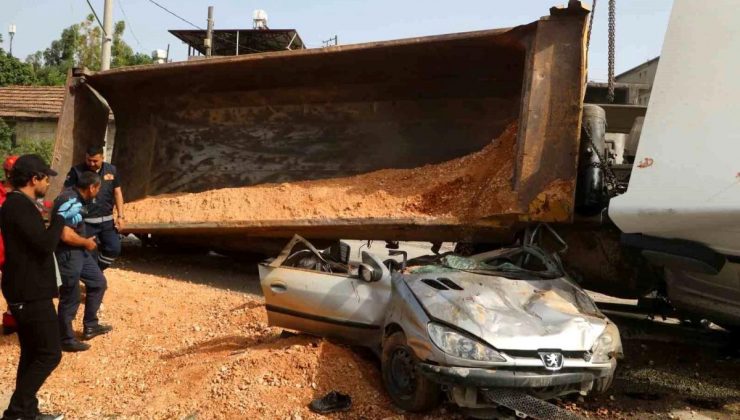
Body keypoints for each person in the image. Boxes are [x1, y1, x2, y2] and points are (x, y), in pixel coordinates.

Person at [0, 154, 80, 420]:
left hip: (28, 289)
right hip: (29, 292)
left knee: (32, 353)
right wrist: (60, 219)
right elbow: (45, 245)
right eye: (46, 178)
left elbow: (36, 241)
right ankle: (15, 413)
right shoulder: (18, 206)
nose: (48, 183)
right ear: (34, 179)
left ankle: (27, 412)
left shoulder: (22, 204)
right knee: (49, 354)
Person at [54, 171, 112, 353]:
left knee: (98, 282)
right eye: (98, 189)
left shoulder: (77, 197)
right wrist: (87, 242)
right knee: (71, 296)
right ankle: (65, 339)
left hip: (79, 252)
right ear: (92, 187)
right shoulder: (69, 200)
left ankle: (91, 326)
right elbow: (64, 234)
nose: (98, 192)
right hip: (68, 253)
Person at [64, 146, 124, 270]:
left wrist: (120, 216)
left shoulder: (111, 170)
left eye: (95, 161)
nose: (91, 163)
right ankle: (93, 280)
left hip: (107, 221)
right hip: (86, 223)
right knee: (89, 252)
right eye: (88, 160)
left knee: (114, 248)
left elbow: (117, 193)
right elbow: (67, 193)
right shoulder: (76, 171)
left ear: (102, 157)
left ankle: (97, 270)